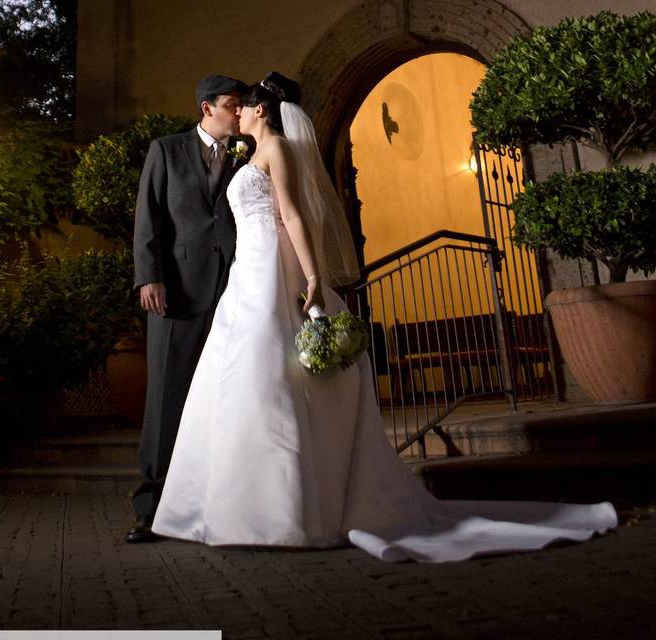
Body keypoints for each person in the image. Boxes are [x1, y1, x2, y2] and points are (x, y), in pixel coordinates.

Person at [151, 72, 618, 562]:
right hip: (249, 270)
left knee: (265, 378)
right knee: (241, 381)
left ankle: (280, 511)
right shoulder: (257, 154)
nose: (238, 113)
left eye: (243, 107)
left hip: (272, 266)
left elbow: (292, 215)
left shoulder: (278, 151)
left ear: (261, 111)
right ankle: (229, 508)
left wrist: (311, 278)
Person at [128, 74, 249, 543]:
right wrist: (148, 275)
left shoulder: (245, 157)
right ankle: (150, 507)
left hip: (233, 290)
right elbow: (149, 215)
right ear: (207, 108)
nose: (239, 113)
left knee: (223, 394)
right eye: (232, 105)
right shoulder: (166, 149)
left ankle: (213, 499)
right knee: (167, 394)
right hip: (175, 290)